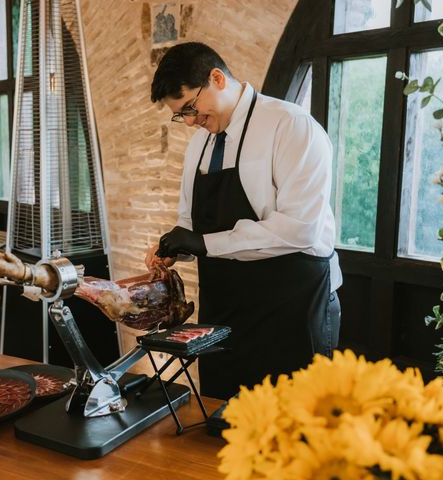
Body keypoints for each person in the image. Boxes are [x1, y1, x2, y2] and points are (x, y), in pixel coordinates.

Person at [145, 42, 342, 400]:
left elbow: (300, 228)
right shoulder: (199, 145)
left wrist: (204, 244)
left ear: (217, 78)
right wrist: (175, 249)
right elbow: (192, 227)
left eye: (190, 107)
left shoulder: (291, 126)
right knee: (221, 428)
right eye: (181, 115)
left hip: (291, 310)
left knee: (293, 433)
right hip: (224, 313)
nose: (190, 122)